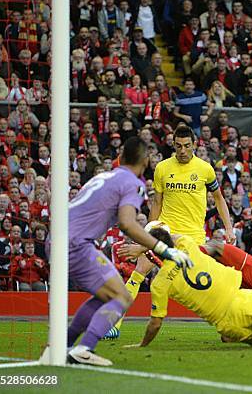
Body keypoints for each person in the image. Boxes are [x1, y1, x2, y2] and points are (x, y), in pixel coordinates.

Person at [66, 137, 192, 366]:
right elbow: (127, 223)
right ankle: (84, 348)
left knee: (105, 295)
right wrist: (162, 248)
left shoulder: (104, 176)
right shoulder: (132, 183)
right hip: (76, 242)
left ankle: (64, 345)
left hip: (60, 238)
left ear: (121, 157)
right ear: (145, 161)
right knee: (122, 296)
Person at [105, 125, 234, 340]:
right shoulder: (163, 168)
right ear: (173, 145)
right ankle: (114, 324)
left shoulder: (205, 169)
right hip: (165, 229)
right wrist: (150, 231)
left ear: (194, 145)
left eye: (187, 146)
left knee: (205, 283)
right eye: (178, 146)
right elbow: (157, 201)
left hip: (193, 236)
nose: (182, 151)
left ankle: (230, 325)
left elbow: (219, 198)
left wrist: (228, 228)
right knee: (139, 271)